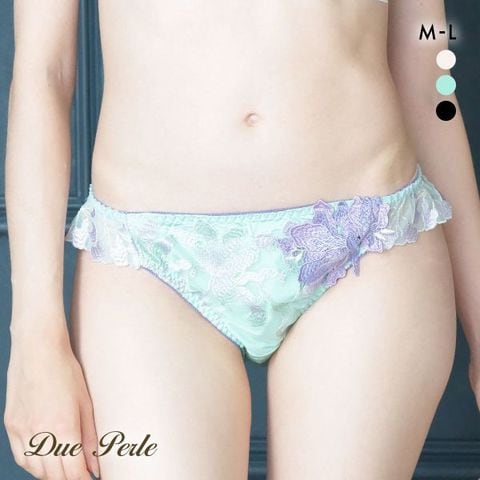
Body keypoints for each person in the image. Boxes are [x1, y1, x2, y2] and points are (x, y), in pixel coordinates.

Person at [4, 0, 479, 479]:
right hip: (145, 259)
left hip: (369, 239)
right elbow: (44, 72)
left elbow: (429, 77)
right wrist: (35, 344)